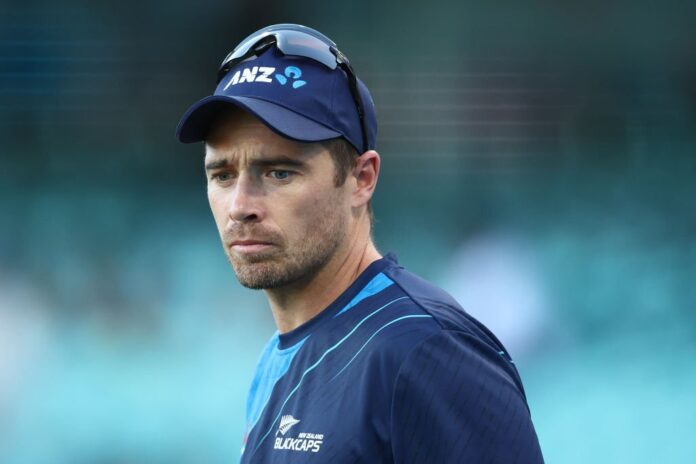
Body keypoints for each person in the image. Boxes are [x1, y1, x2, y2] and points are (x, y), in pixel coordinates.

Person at [176, 23, 544, 463]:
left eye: (279, 173)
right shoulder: (277, 357)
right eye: (222, 175)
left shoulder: (424, 351)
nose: (240, 206)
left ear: (361, 179)